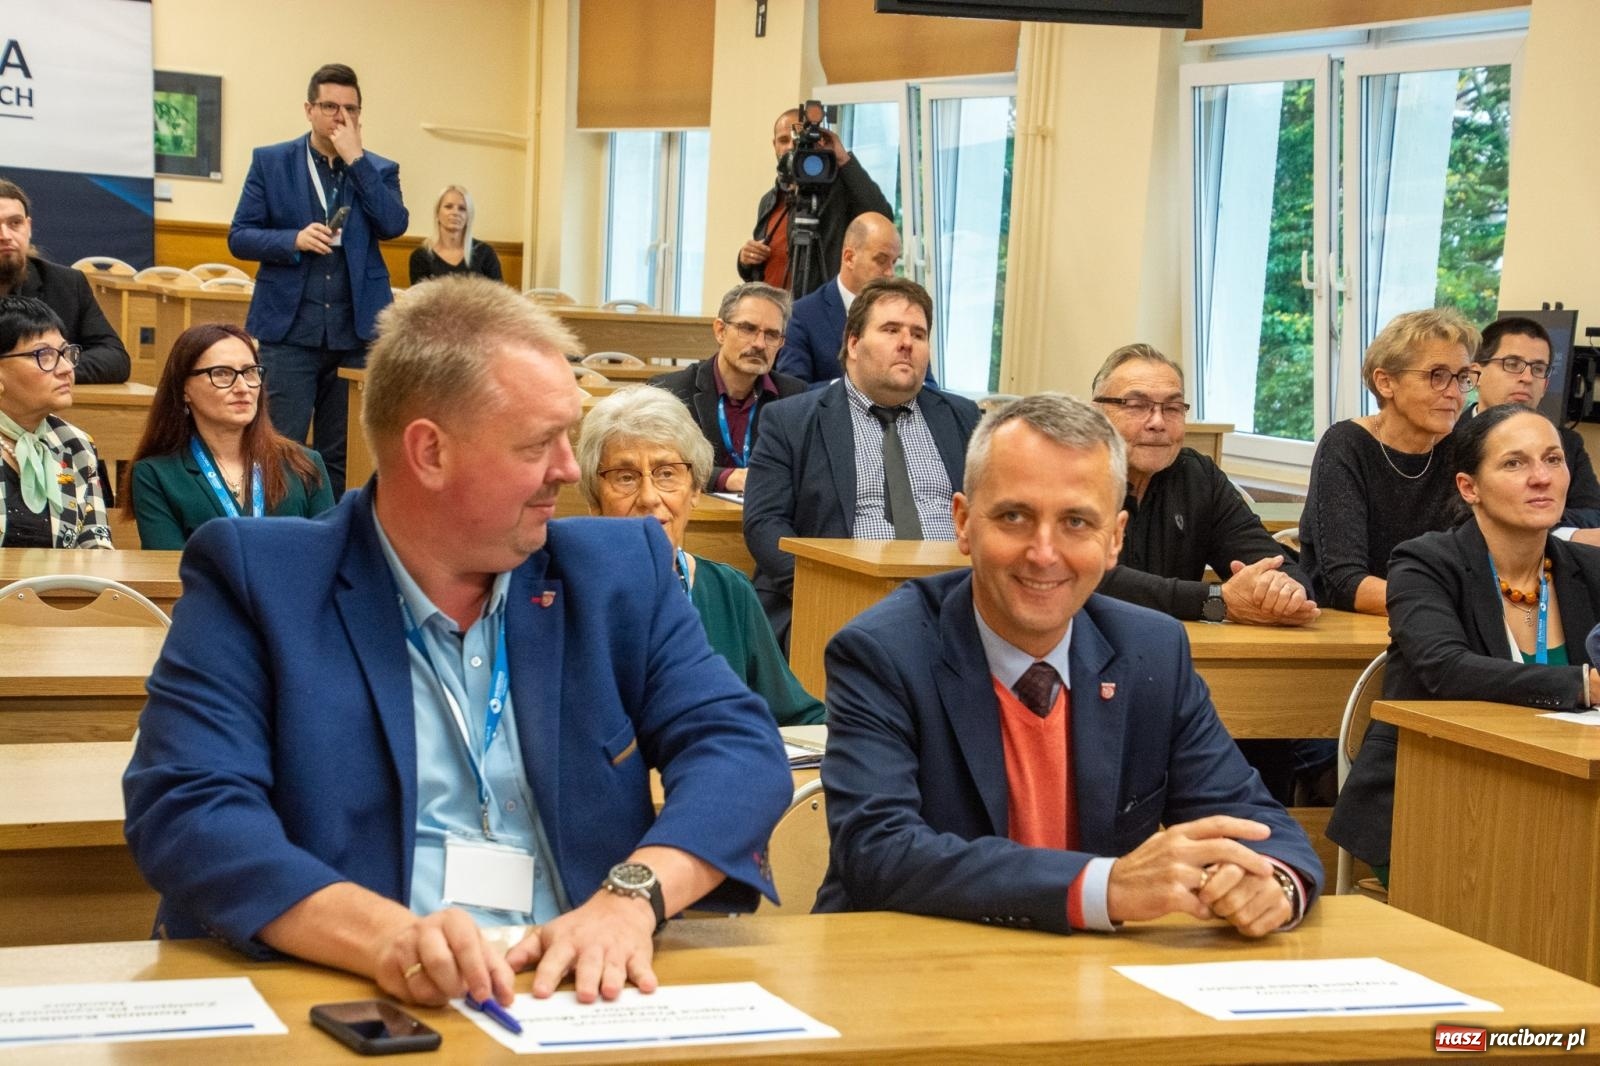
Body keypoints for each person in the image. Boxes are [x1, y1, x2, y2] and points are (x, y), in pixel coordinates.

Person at [122, 276, 791, 1010]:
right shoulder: (259, 582)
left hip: (579, 994)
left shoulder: (619, 571)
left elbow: (739, 750)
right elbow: (190, 812)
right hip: (353, 995)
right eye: (540, 443)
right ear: (429, 453)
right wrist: (382, 938)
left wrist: (631, 898)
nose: (570, 470)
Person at [816, 394, 1322, 934]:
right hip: (905, 968)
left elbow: (1255, 820)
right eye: (1014, 516)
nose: (1044, 552)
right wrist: (1105, 886)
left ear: (1115, 540)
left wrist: (1272, 883)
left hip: (1089, 979)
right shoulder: (884, 652)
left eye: (1077, 522)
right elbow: (879, 852)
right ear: (963, 523)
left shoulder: (1150, 650)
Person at [1327, 403, 1600, 884]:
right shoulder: (1424, 563)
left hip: (1564, 799)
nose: (1541, 478)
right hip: (1434, 803)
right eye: (1515, 463)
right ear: (1468, 487)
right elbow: (1446, 668)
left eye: (1553, 460)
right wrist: (1583, 685)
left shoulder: (1589, 569)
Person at [743, 276, 981, 647]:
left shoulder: (962, 417)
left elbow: (991, 513)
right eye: (890, 330)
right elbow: (763, 525)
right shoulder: (791, 420)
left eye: (918, 335)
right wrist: (831, 587)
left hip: (953, 605)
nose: (906, 344)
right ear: (853, 343)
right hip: (842, 603)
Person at [577, 386, 825, 727]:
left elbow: (799, 719)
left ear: (695, 491)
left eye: (667, 473)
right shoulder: (566, 599)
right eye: (625, 477)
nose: (650, 497)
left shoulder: (728, 592)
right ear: (594, 499)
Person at [228, 64, 408, 498]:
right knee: (279, 444)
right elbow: (240, 236)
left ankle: (337, 540)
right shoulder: (272, 163)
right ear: (309, 109)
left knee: (345, 451)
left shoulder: (378, 169)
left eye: (350, 108)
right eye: (330, 106)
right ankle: (279, 533)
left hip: (355, 332)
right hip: (290, 332)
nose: (339, 116)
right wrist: (292, 238)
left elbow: (393, 223)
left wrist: (357, 161)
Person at [1090, 343, 1316, 625]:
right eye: (1137, 406)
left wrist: (1284, 592)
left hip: (1172, 650)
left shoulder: (1198, 476)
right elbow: (1092, 578)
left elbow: (1279, 567)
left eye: (1172, 408)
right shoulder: (1070, 474)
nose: (1158, 422)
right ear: (1098, 412)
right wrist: (1215, 602)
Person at [1300, 308, 1477, 614]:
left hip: (1433, 620)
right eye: (1437, 376)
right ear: (1385, 383)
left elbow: (1474, 566)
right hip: (1346, 627)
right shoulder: (1345, 445)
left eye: (1462, 378)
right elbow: (1344, 582)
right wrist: (1440, 603)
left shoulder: (1461, 449)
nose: (1453, 392)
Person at [124, 323, 334, 549]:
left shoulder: (304, 465)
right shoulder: (156, 475)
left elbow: (329, 561)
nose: (243, 387)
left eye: (250, 372)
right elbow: (170, 576)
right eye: (222, 374)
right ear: (184, 389)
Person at [649, 282, 806, 492]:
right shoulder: (670, 392)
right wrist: (725, 477)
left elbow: (805, 470)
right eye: (748, 329)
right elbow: (658, 466)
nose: (759, 343)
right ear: (720, 331)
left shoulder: (796, 396)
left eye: (771, 335)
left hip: (769, 516)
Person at [736, 107, 893, 299]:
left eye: (796, 140)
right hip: (772, 315)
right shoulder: (769, 200)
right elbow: (765, 263)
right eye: (783, 141)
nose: (789, 147)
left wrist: (843, 159)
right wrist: (745, 260)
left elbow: (882, 216)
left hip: (820, 310)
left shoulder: (838, 193)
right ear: (774, 145)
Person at [1463, 316, 1600, 532]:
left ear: (1545, 385)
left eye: (1537, 368)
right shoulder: (1444, 436)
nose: (1527, 378)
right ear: (1475, 374)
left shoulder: (1567, 444)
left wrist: (1536, 520)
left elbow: (1592, 515)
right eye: (1512, 364)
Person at [0, 296, 111, 548]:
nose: (65, 369)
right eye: (44, 355)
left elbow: (96, 549)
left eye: (65, 353)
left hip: (62, 587)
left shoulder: (75, 444)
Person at [0, 178, 130, 385]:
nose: (5, 235)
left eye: (15, 223)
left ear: (29, 227)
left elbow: (114, 358)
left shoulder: (67, 283)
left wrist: (46, 369)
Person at [776, 211, 903, 386]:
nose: (890, 273)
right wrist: (854, 388)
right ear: (849, 258)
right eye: (881, 260)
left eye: (894, 262)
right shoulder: (803, 315)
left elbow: (927, 385)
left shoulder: (901, 313)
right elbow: (793, 392)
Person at [408, 185, 502, 286]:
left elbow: (499, 297)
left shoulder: (485, 253)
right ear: (437, 213)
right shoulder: (421, 256)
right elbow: (419, 299)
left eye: (462, 209)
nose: (455, 212)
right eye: (448, 207)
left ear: (468, 217)